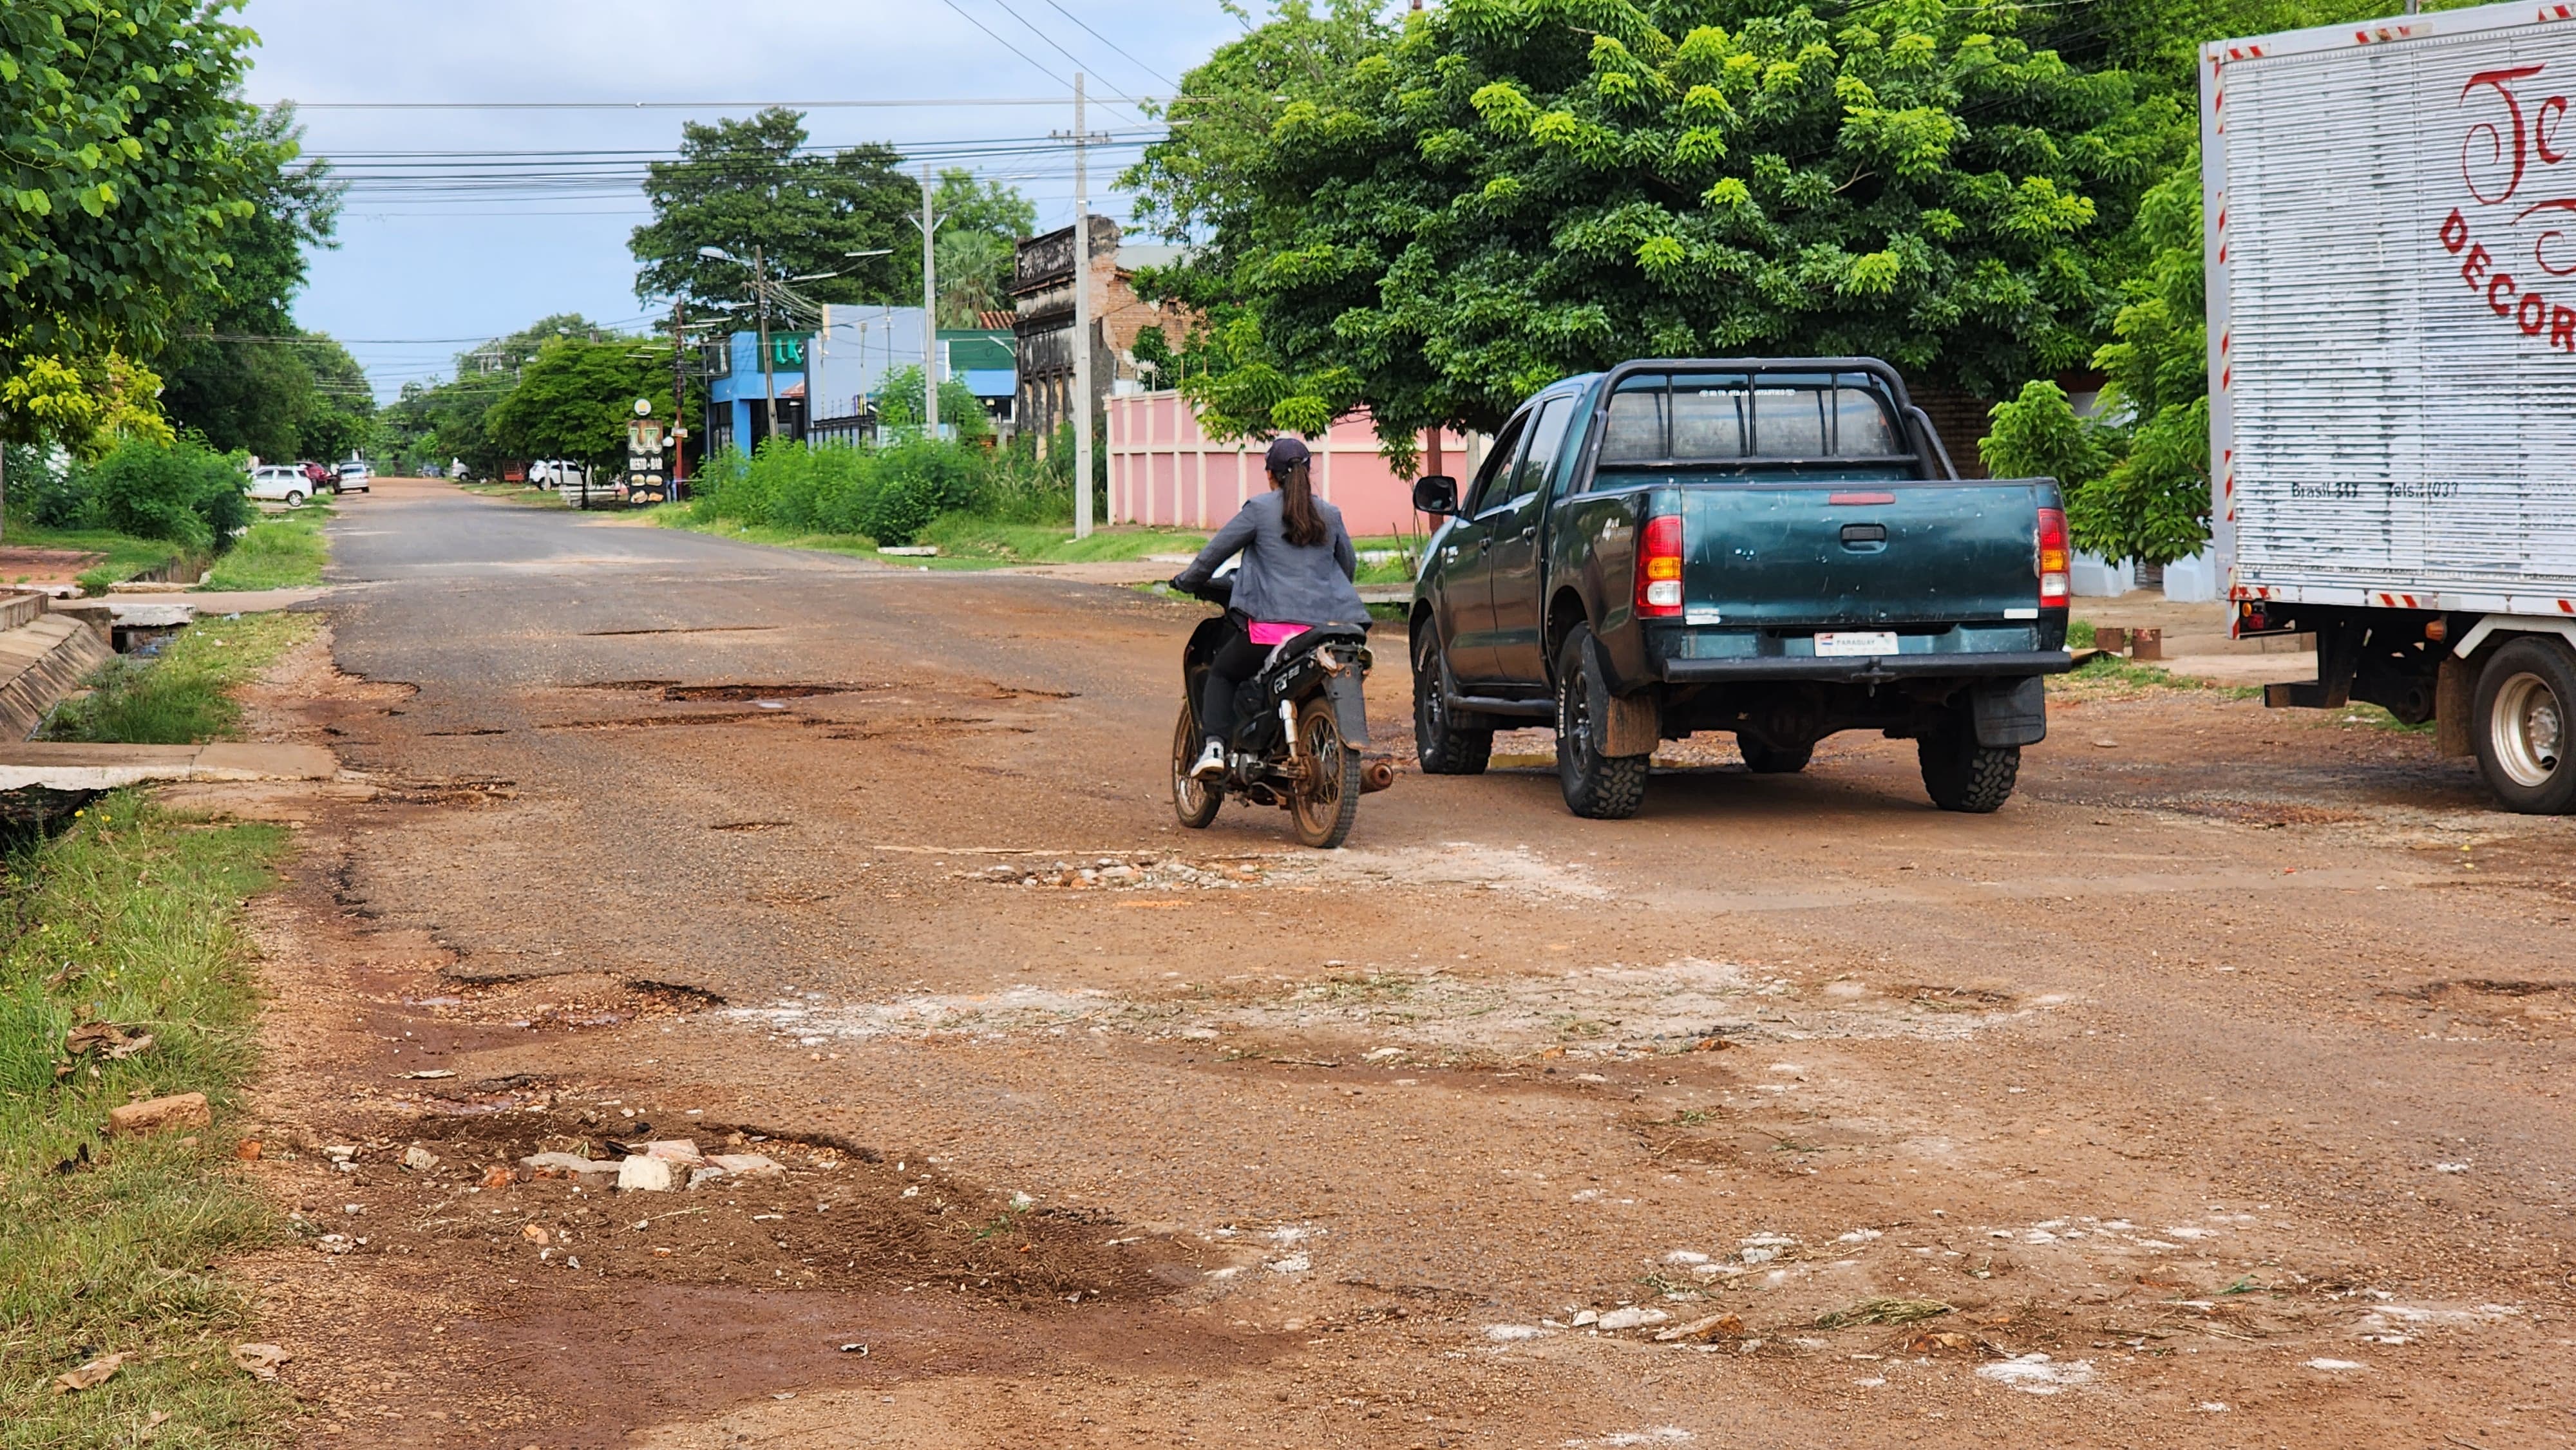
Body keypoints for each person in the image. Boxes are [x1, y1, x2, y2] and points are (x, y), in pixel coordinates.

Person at [1170, 436, 1368, 780]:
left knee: (1222, 672)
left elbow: (1213, 555)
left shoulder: (1260, 510)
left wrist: (1187, 580)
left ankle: (1215, 748)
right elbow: (1347, 568)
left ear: (1270, 475)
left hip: (1269, 631)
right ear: (1308, 472)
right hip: (1325, 632)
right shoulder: (1330, 514)